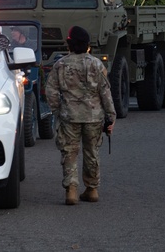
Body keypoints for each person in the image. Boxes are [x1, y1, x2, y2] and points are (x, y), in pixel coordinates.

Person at [46, 25, 116, 206]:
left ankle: (71, 190)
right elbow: (105, 92)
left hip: (69, 115)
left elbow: (51, 90)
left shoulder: (60, 64)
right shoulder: (96, 64)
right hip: (94, 116)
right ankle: (92, 189)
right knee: (92, 152)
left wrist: (57, 110)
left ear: (69, 44)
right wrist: (110, 116)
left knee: (69, 152)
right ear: (87, 45)